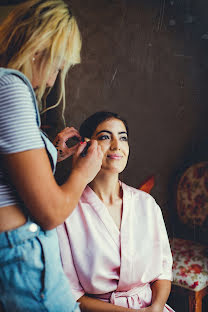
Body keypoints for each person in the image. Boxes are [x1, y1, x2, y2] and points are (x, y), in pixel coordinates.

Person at [0, 1, 103, 311]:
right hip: (22, 255)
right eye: (58, 66)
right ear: (38, 49)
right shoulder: (10, 87)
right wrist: (83, 173)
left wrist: (54, 153)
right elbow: (50, 212)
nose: (50, 81)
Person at [57, 111, 175, 312]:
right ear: (85, 145)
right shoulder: (67, 212)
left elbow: (163, 271)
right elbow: (70, 294)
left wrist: (155, 308)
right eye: (104, 137)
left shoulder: (146, 204)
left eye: (123, 138)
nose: (116, 145)